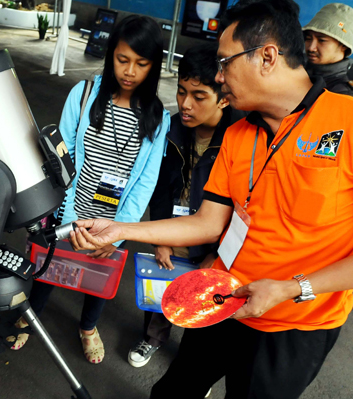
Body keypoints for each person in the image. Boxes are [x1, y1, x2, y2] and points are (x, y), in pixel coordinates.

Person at [70, 0, 353, 397]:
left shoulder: (347, 122)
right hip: (224, 297)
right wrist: (118, 229)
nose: (219, 77)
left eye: (225, 62)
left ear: (267, 57)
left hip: (296, 325)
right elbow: (208, 221)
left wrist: (291, 288)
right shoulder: (238, 136)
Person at [8, 14, 170, 364]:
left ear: (153, 66)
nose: (129, 71)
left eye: (141, 64)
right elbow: (61, 154)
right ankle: (31, 314)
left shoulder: (158, 117)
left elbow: (146, 182)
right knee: (49, 268)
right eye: (122, 59)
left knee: (98, 278)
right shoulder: (83, 95)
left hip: (112, 222)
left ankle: (88, 327)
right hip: (69, 208)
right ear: (111, 54)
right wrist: (58, 208)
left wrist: (117, 234)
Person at [128, 43, 246, 369]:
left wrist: (219, 254)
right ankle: (152, 338)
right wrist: (161, 238)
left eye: (198, 96)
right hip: (176, 232)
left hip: (215, 244)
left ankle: (189, 369)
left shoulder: (239, 139)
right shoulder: (170, 129)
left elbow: (243, 208)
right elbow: (161, 188)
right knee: (161, 292)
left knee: (204, 305)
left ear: (223, 97)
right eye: (181, 92)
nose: (185, 104)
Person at [303, 3, 353, 96]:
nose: (311, 48)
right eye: (308, 38)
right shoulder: (296, 69)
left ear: (343, 46)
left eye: (321, 40)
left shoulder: (344, 92)